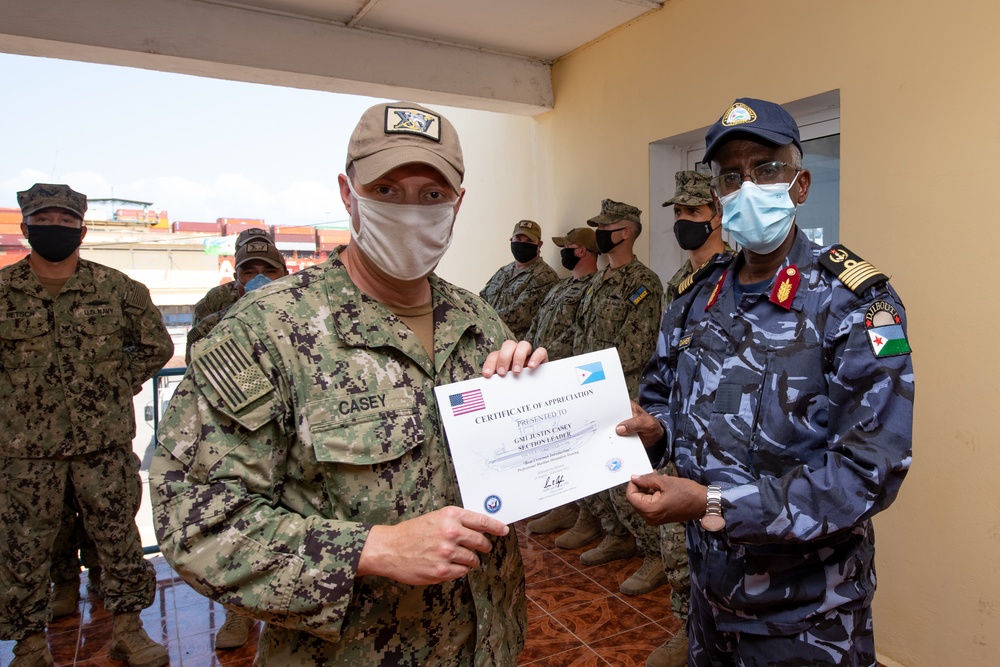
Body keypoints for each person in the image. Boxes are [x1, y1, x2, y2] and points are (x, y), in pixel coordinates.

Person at [150, 101, 545, 666]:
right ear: (347, 192)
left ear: (458, 204)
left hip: (488, 644)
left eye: (432, 195)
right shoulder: (268, 331)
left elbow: (513, 484)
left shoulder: (481, 322)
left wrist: (538, 411)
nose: (411, 211)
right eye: (386, 190)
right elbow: (193, 519)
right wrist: (370, 548)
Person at [622, 97, 914, 666]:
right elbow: (662, 408)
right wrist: (651, 429)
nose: (748, 185)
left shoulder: (858, 303)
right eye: (731, 176)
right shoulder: (693, 299)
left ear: (800, 185)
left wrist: (714, 501)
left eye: (767, 169)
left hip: (808, 612)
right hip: (709, 597)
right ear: (719, 196)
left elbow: (869, 471)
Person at [0, 183, 173, 667]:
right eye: (44, 220)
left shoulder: (117, 288)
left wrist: (112, 381)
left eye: (64, 222)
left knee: (118, 540)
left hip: (103, 444)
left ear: (82, 228)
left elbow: (156, 345)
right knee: (21, 551)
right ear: (26, 227)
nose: (54, 228)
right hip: (26, 452)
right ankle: (30, 645)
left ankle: (129, 631)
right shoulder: (3, 292)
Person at [562, 199, 666, 597]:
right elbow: (580, 334)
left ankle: (654, 553)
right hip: (588, 389)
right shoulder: (600, 279)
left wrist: (589, 378)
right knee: (597, 473)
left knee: (628, 477)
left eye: (607, 227)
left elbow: (636, 347)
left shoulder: (643, 283)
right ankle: (617, 536)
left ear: (625, 232)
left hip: (620, 393)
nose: (601, 233)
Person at [522, 227, 599, 536]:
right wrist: (527, 352)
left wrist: (546, 352)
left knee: (575, 447)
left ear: (581, 250)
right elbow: (538, 323)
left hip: (569, 373)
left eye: (567, 246)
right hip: (542, 372)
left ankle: (585, 514)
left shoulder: (594, 287)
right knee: (553, 447)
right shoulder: (560, 287)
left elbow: (580, 332)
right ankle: (563, 506)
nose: (563, 251)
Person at [185, 235, 289, 365]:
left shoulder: (306, 316)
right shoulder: (212, 326)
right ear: (236, 278)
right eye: (250, 273)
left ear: (286, 275)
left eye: (270, 271)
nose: (260, 279)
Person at [662, 170, 735, 307]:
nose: (682, 220)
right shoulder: (677, 284)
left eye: (693, 211)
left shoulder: (737, 272)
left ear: (718, 216)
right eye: (678, 212)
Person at [480, 219, 557, 340]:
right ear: (511, 240)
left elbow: (519, 315)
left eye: (529, 240)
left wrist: (480, 319)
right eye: (519, 239)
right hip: (488, 340)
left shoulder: (544, 276)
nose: (522, 244)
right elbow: (482, 300)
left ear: (539, 244)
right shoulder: (503, 271)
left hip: (514, 348)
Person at [189, 227, 273, 333]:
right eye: (246, 248)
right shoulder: (216, 298)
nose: (255, 250)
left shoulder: (290, 296)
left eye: (263, 247)